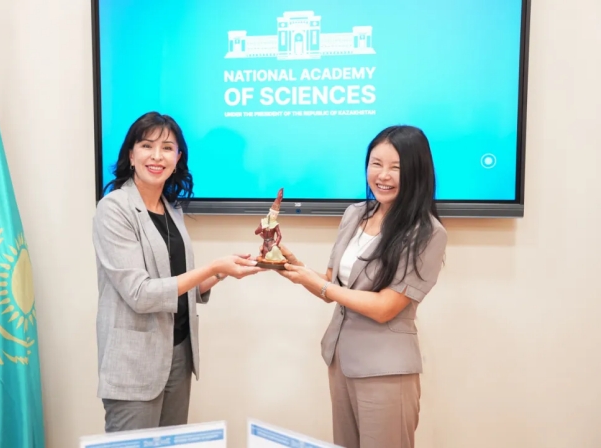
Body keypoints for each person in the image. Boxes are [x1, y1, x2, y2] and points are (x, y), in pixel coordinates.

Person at [277, 125, 447, 448]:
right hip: (341, 360)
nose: (383, 175)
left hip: (387, 370)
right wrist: (295, 266)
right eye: (376, 163)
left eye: (396, 167)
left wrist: (320, 286)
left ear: (416, 171)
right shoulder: (355, 214)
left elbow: (385, 307)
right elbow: (332, 284)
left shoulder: (427, 232)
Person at [92, 112, 262, 432]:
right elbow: (141, 294)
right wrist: (212, 266)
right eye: (147, 146)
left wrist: (223, 272)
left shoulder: (171, 209)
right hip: (134, 362)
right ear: (131, 154)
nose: (157, 156)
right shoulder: (113, 208)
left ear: (178, 158)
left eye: (167, 148)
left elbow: (176, 286)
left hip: (178, 354)